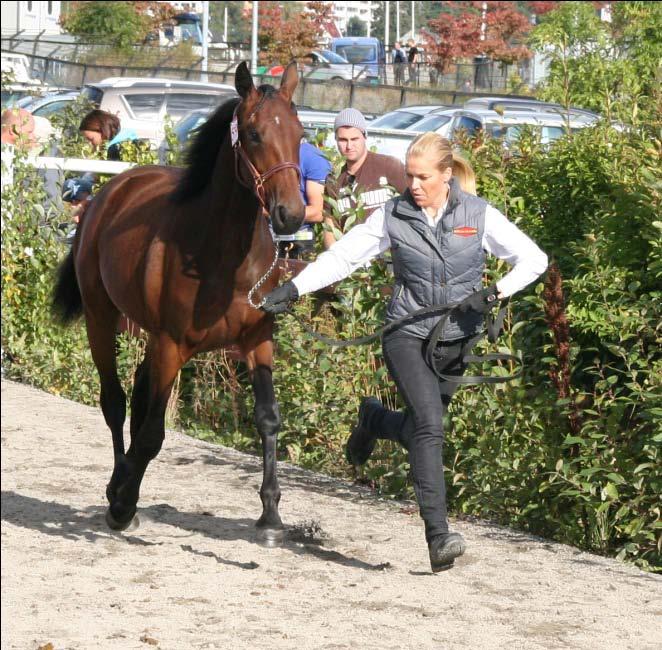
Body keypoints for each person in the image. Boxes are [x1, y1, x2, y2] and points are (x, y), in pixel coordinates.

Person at [260, 132, 548, 572]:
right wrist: (295, 287)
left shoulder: (478, 214)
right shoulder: (393, 215)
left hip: (457, 339)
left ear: (446, 175)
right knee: (431, 426)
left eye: (422, 177)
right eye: (409, 175)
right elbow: (346, 258)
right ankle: (438, 537)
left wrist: (495, 294)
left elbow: (534, 260)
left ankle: (373, 419)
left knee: (418, 429)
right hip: (406, 333)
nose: (412, 184)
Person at [323, 108, 407, 249]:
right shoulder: (334, 180)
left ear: (365, 136)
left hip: (389, 258)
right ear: (336, 140)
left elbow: (415, 204)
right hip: (353, 261)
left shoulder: (389, 166)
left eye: (354, 139)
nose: (349, 146)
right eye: (343, 140)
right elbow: (329, 226)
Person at [275, 138, 332, 259]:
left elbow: (318, 212)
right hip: (261, 238)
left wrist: (277, 212)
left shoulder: (313, 157)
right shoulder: (263, 151)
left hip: (298, 242)